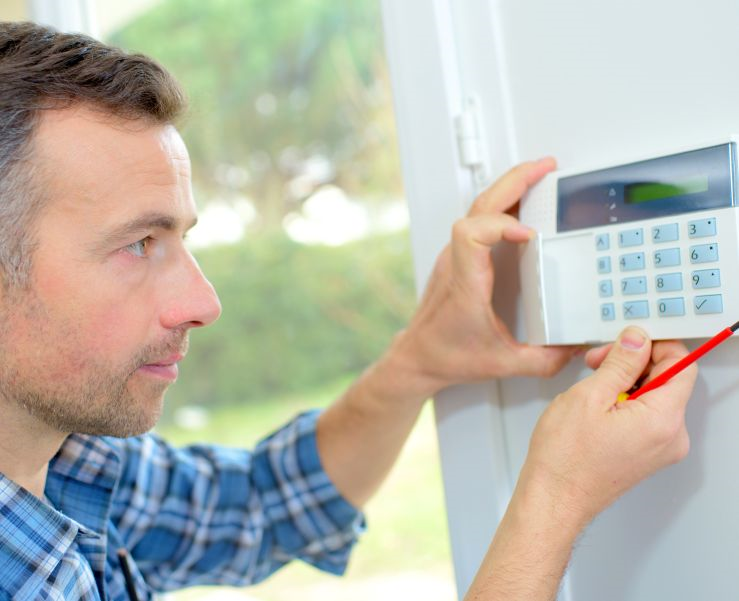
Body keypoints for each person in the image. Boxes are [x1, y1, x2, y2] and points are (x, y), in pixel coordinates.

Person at [0, 21, 697, 601]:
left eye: (182, 237)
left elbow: (262, 507)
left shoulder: (73, 460)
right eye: (138, 243)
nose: (204, 302)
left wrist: (420, 359)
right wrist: (554, 499)